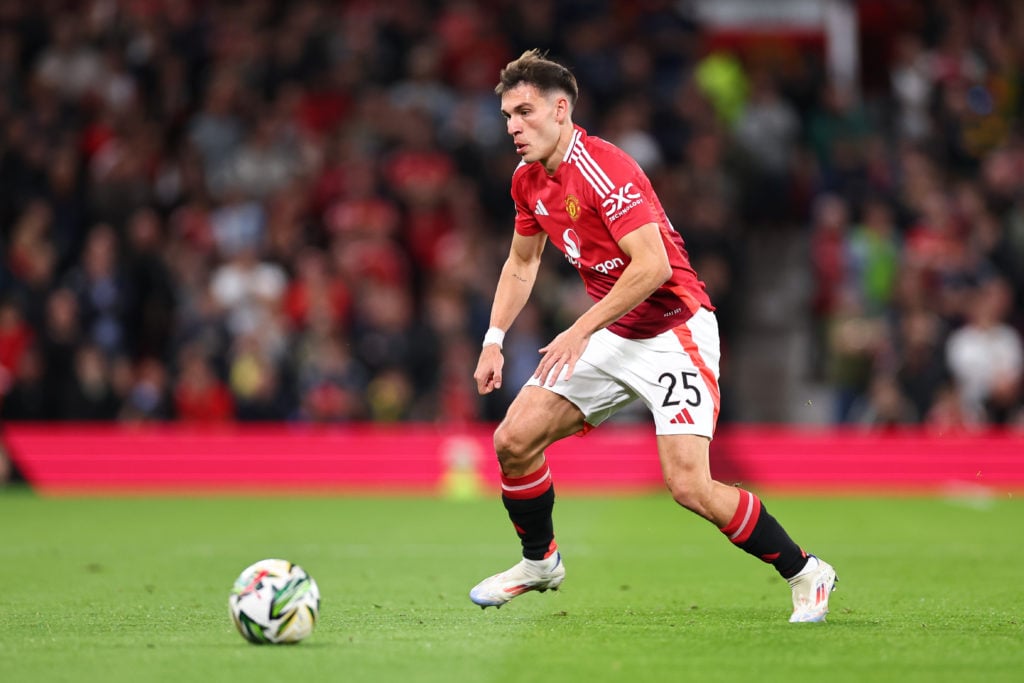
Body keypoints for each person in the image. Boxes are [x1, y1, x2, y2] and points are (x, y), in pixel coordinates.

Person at [469, 50, 837, 623]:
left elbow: (654, 267)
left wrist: (578, 328)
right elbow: (521, 262)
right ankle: (540, 562)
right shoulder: (527, 181)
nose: (513, 127)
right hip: (614, 328)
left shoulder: (605, 168)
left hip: (674, 329)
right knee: (513, 441)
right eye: (507, 116)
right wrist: (494, 338)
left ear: (561, 109)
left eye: (524, 111)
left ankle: (806, 570)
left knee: (689, 485)